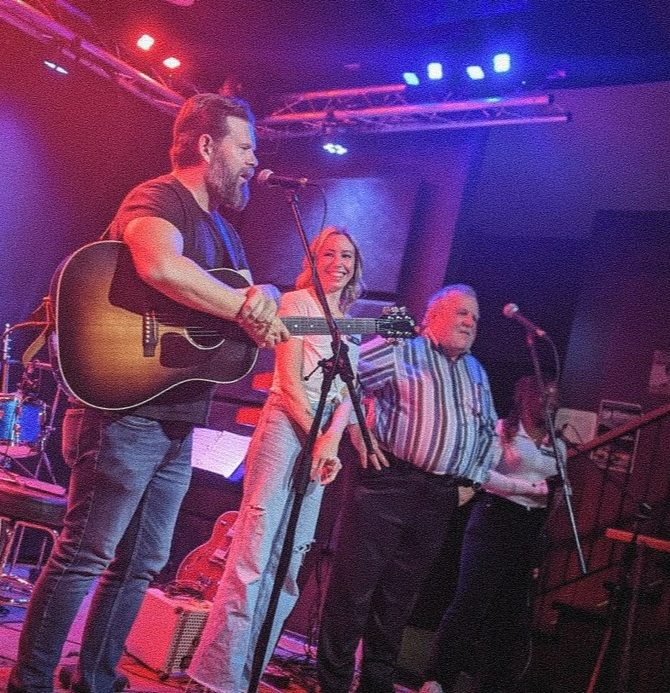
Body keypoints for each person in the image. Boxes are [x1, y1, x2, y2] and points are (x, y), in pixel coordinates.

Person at [7, 93, 288, 693]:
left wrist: (260, 296)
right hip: (122, 410)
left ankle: (96, 679)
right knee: (85, 555)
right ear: (207, 147)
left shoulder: (227, 236)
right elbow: (159, 265)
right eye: (245, 147)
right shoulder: (159, 197)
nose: (253, 161)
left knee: (141, 564)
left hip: (176, 419)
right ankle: (28, 682)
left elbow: (240, 304)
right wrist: (245, 305)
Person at [187, 226, 365, 693]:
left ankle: (250, 674)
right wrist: (321, 441)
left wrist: (331, 442)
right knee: (254, 554)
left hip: (323, 439)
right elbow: (286, 386)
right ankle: (216, 677)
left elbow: (351, 389)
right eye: (329, 253)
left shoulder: (353, 321)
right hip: (287, 431)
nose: (339, 262)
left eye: (346, 255)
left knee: (290, 563)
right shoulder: (293, 304)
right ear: (314, 259)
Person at [316, 284, 499, 693]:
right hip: (387, 486)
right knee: (353, 592)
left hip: (439, 496)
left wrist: (472, 483)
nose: (471, 323)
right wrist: (359, 437)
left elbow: (489, 431)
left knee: (398, 602)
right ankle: (332, 685)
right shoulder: (400, 349)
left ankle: (376, 686)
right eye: (462, 314)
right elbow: (345, 381)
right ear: (433, 316)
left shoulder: (476, 371)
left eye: (476, 317)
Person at [419, 375, 563, 693]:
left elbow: (558, 493)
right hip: (494, 519)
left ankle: (490, 685)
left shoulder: (558, 445)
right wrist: (530, 489)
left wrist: (545, 517)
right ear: (524, 397)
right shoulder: (502, 431)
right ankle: (437, 678)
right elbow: (483, 476)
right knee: (470, 603)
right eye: (543, 395)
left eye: (554, 396)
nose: (549, 401)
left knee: (509, 614)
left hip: (529, 528)